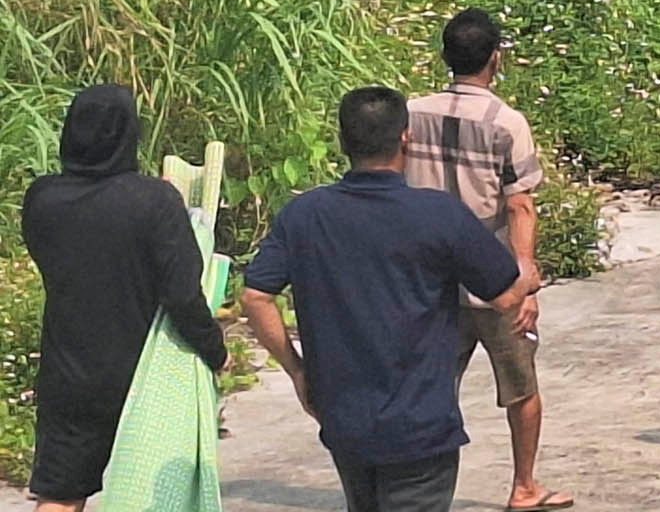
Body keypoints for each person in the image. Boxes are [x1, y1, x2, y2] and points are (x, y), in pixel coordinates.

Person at [242, 88, 531, 512]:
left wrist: (298, 371)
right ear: (405, 139)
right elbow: (505, 297)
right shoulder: (438, 214)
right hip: (420, 425)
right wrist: (528, 276)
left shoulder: (305, 214)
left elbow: (254, 297)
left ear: (342, 142)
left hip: (343, 419)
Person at [22, 85, 228, 512]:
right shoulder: (153, 201)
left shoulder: (42, 198)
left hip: (69, 371)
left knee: (60, 495)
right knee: (149, 497)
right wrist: (215, 351)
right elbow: (182, 294)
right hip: (145, 375)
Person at [406, 10, 571, 512]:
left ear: (444, 57)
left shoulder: (412, 113)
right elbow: (519, 203)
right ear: (495, 59)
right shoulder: (506, 122)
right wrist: (525, 275)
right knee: (520, 387)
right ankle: (524, 486)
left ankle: (419, 491)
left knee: (431, 389)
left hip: (429, 281)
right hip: (492, 279)